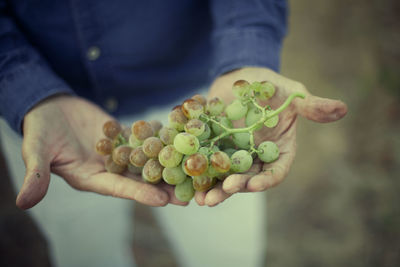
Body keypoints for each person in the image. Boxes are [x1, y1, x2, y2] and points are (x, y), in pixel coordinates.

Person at [0, 0, 347, 266]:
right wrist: (25, 92)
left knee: (226, 253)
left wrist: (248, 55)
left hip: (200, 92)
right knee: (85, 252)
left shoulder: (216, 129)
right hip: (53, 117)